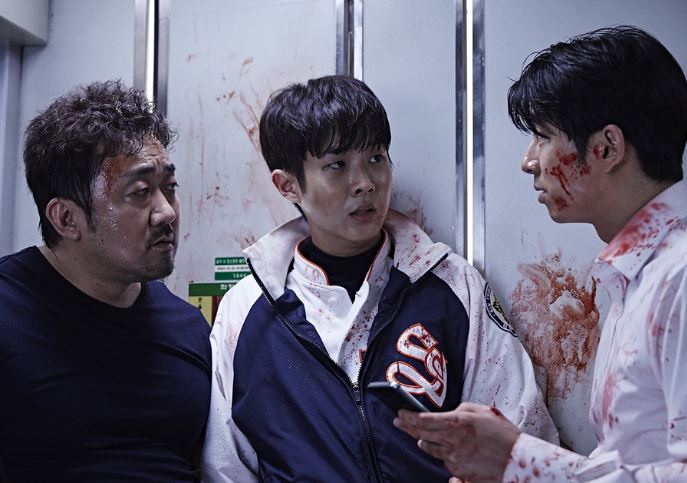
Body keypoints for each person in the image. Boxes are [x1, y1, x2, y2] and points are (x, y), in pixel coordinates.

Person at [200, 75, 557, 482]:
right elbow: (224, 466)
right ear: (288, 185)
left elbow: (521, 434)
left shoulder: (452, 285)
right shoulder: (247, 311)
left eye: (376, 158)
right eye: (337, 166)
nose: (366, 183)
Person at [394, 25, 687, 482]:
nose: (528, 161)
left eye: (542, 135)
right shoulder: (641, 274)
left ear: (606, 148)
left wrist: (519, 461)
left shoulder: (684, 276)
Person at [0, 80, 212, 482]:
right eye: (140, 192)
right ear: (66, 219)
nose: (167, 212)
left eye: (170, 188)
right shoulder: (8, 311)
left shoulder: (189, 328)